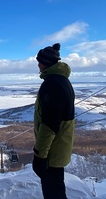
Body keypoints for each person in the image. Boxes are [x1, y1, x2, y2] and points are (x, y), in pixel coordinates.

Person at [32, 43, 75, 199]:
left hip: (52, 151)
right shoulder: (62, 81)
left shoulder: (51, 85)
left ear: (46, 63)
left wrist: (40, 155)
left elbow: (49, 125)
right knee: (56, 190)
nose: (38, 64)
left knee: (53, 193)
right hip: (59, 146)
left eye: (40, 61)